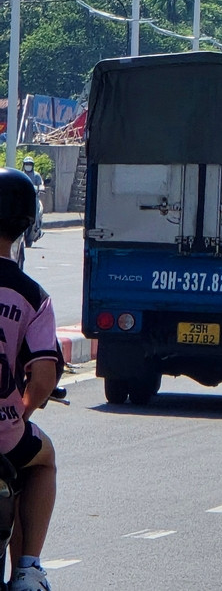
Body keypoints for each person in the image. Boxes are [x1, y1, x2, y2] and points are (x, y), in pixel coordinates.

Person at [0, 168, 60, 591]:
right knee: (45, 460)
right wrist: (19, 411)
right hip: (6, 434)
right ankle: (27, 568)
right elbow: (42, 377)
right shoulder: (34, 296)